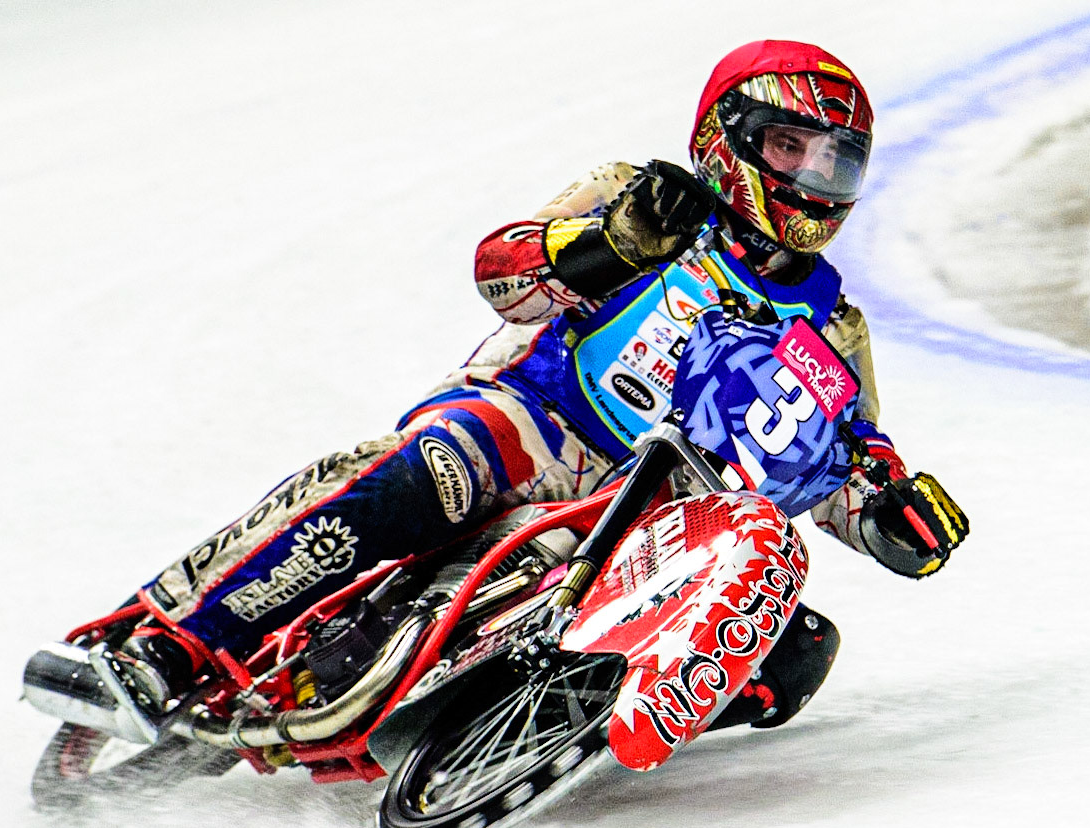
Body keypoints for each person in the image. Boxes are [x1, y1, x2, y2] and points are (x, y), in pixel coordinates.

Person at [99, 39, 970, 721]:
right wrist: (610, 246)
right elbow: (500, 272)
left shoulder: (835, 326)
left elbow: (843, 456)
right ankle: (170, 641)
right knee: (422, 479)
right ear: (726, 138)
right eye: (791, 148)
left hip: (650, 515)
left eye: (836, 161)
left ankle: (526, 729)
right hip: (533, 417)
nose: (814, 180)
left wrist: (888, 511)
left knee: (792, 652)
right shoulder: (639, 193)